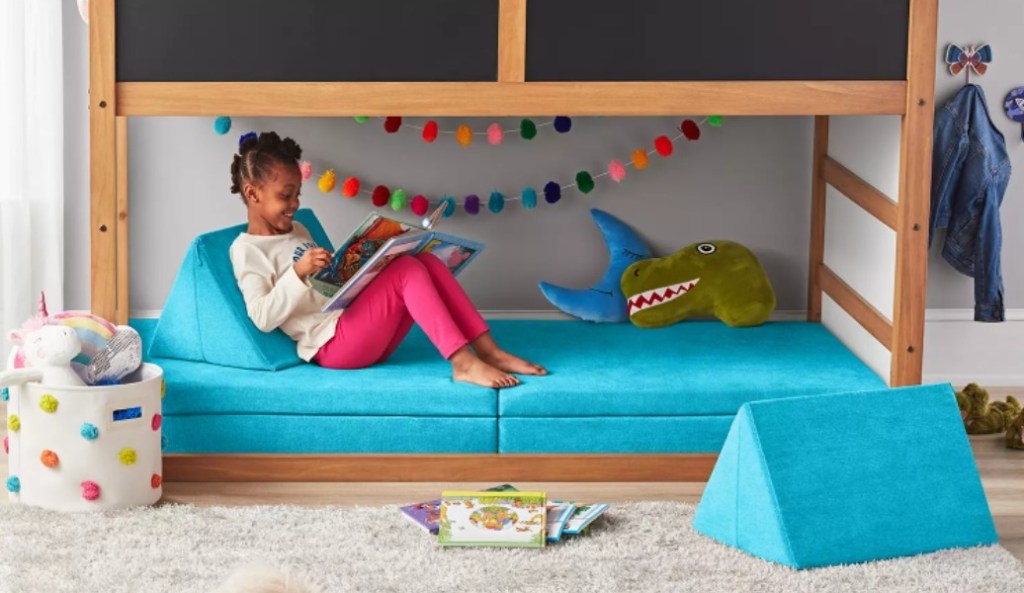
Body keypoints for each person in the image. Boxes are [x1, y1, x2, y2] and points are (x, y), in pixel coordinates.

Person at [228, 131, 546, 388]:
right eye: (286, 195)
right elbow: (261, 317)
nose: (295, 203)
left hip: (355, 326)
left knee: (425, 261)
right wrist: (298, 272)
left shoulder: (298, 229)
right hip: (333, 346)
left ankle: (489, 351)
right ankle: (462, 362)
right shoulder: (247, 250)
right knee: (407, 270)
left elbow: (328, 288)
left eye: (298, 194)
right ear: (253, 194)